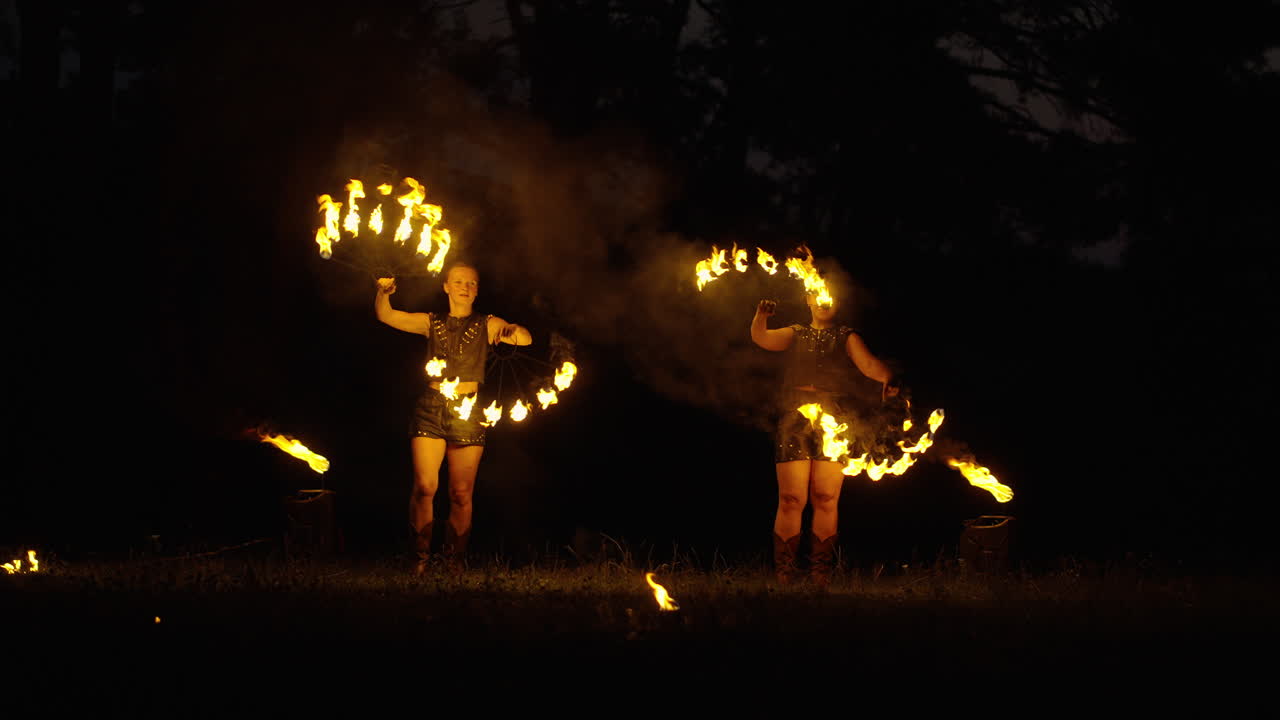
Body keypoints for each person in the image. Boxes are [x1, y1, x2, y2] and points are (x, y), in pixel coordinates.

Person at [375, 262, 532, 573]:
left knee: (461, 493)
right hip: (431, 408)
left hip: (469, 410)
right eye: (459, 282)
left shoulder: (486, 323)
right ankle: (418, 561)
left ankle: (453, 563)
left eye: (472, 283)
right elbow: (386, 315)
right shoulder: (431, 322)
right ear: (446, 286)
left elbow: (525, 339)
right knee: (424, 486)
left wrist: (511, 331)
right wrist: (383, 291)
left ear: (477, 290)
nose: (465, 287)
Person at [750, 291, 899, 587]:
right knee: (791, 499)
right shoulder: (795, 332)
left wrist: (890, 380)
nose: (823, 301)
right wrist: (761, 317)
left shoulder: (846, 336)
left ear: (838, 302)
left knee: (826, 498)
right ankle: (785, 577)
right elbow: (763, 339)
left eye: (830, 296)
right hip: (795, 419)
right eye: (817, 296)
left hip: (837, 419)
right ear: (807, 299)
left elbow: (869, 366)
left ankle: (820, 577)